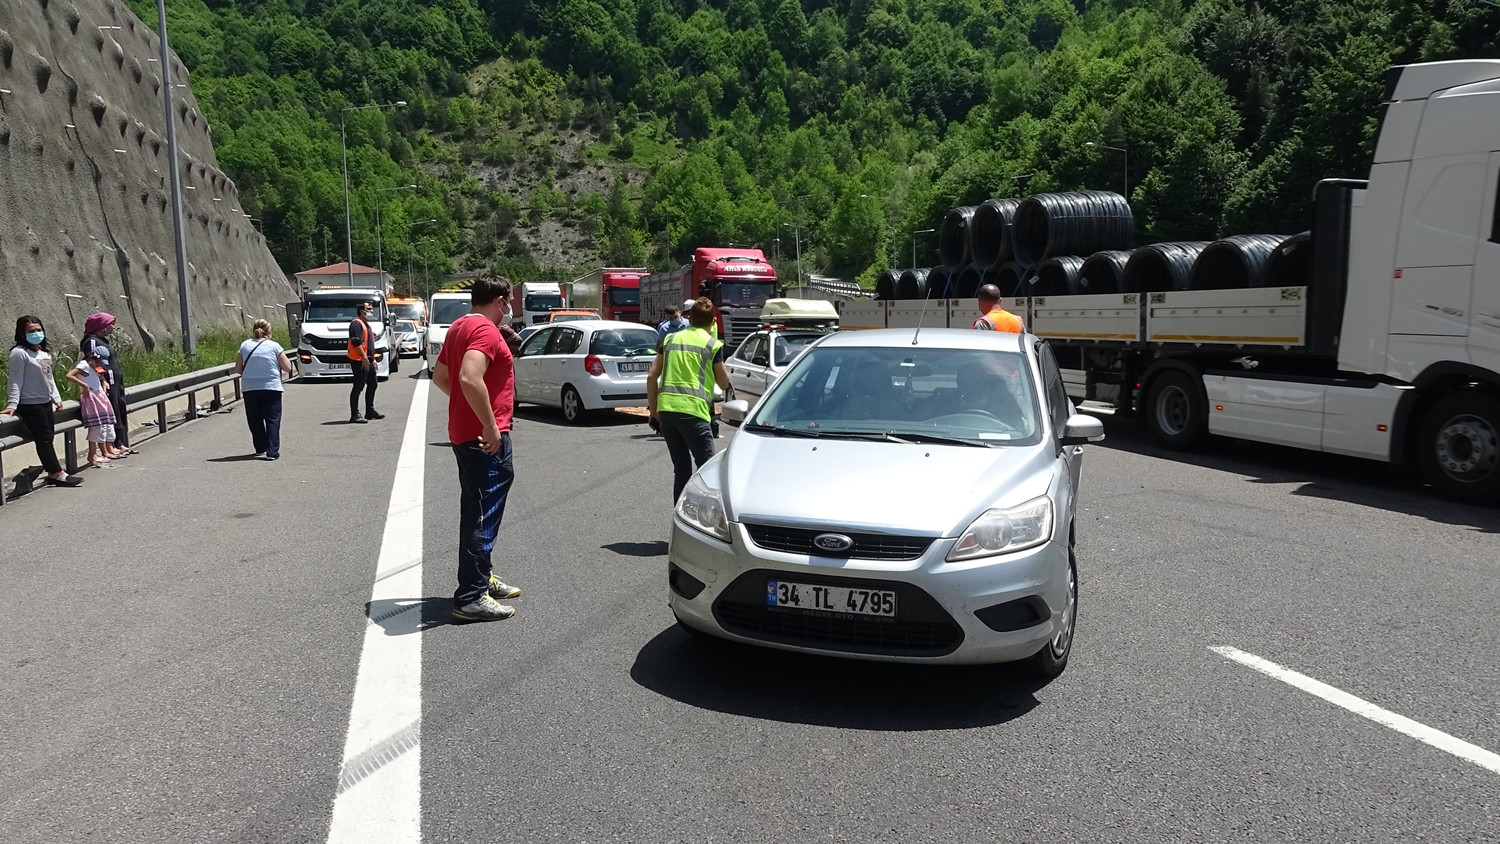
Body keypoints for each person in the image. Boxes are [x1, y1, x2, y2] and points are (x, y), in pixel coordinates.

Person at [432, 273, 524, 624]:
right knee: (482, 513)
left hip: (465, 433)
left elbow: (441, 377)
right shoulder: (486, 330)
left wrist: (468, 411)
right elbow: (469, 377)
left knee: (477, 506)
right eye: (509, 302)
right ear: (499, 300)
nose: (510, 309)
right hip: (484, 437)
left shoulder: (458, 326)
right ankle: (471, 595)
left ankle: (481, 577)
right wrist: (488, 423)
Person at [646, 297, 731, 501]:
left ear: (689, 319)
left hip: (667, 413)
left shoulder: (670, 340)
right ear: (712, 322)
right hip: (693, 413)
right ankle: (704, 524)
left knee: (681, 471)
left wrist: (654, 412)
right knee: (708, 471)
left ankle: (679, 518)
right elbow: (724, 384)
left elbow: (651, 377)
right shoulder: (712, 345)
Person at [2, 316, 82, 487]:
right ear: (22, 334)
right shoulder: (19, 353)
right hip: (30, 403)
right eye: (31, 331)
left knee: (48, 437)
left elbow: (49, 378)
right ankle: (56, 473)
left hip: (45, 402)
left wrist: (57, 398)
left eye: (39, 330)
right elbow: (15, 380)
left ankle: (54, 472)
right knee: (44, 439)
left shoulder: (43, 353)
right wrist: (12, 404)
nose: (36, 334)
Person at [234, 318, 293, 461]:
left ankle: (260, 447)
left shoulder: (245, 345)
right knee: (272, 419)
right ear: (269, 331)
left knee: (255, 419)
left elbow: (238, 368)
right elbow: (288, 368)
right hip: (271, 387)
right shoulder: (274, 346)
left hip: (250, 388)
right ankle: (272, 452)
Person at [81, 312, 136, 456]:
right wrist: (102, 379)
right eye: (111, 324)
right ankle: (113, 444)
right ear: (102, 326)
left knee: (119, 408)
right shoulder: (92, 341)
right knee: (112, 410)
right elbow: (93, 361)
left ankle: (121, 442)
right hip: (106, 382)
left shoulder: (104, 341)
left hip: (115, 381)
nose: (113, 327)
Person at [65, 351, 119, 467]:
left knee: (102, 425)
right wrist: (84, 386)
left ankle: (99, 452)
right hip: (92, 397)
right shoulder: (84, 364)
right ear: (92, 359)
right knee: (96, 426)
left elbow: (98, 378)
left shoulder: (93, 367)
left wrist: (103, 383)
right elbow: (69, 375)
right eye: (97, 362)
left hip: (99, 396)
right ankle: (92, 453)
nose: (98, 365)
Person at [347, 300, 382, 423]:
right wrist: (364, 358)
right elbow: (356, 342)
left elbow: (369, 344)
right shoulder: (356, 324)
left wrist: (373, 359)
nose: (371, 311)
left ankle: (370, 411)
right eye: (369, 309)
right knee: (358, 386)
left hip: (367, 360)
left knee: (373, 384)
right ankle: (355, 414)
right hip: (359, 360)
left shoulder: (366, 324)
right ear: (361, 310)